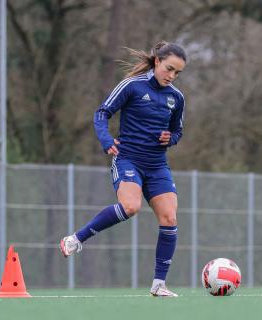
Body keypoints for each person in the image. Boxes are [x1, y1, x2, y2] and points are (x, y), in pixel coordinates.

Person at [59, 41, 186, 297]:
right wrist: (106, 141)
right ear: (157, 61)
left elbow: (178, 130)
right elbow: (102, 113)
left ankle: (159, 285)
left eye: (177, 73)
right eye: (169, 68)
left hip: (157, 165)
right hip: (128, 159)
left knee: (170, 219)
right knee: (131, 207)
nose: (171, 76)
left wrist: (169, 138)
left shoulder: (176, 97)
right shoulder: (132, 86)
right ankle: (76, 239)